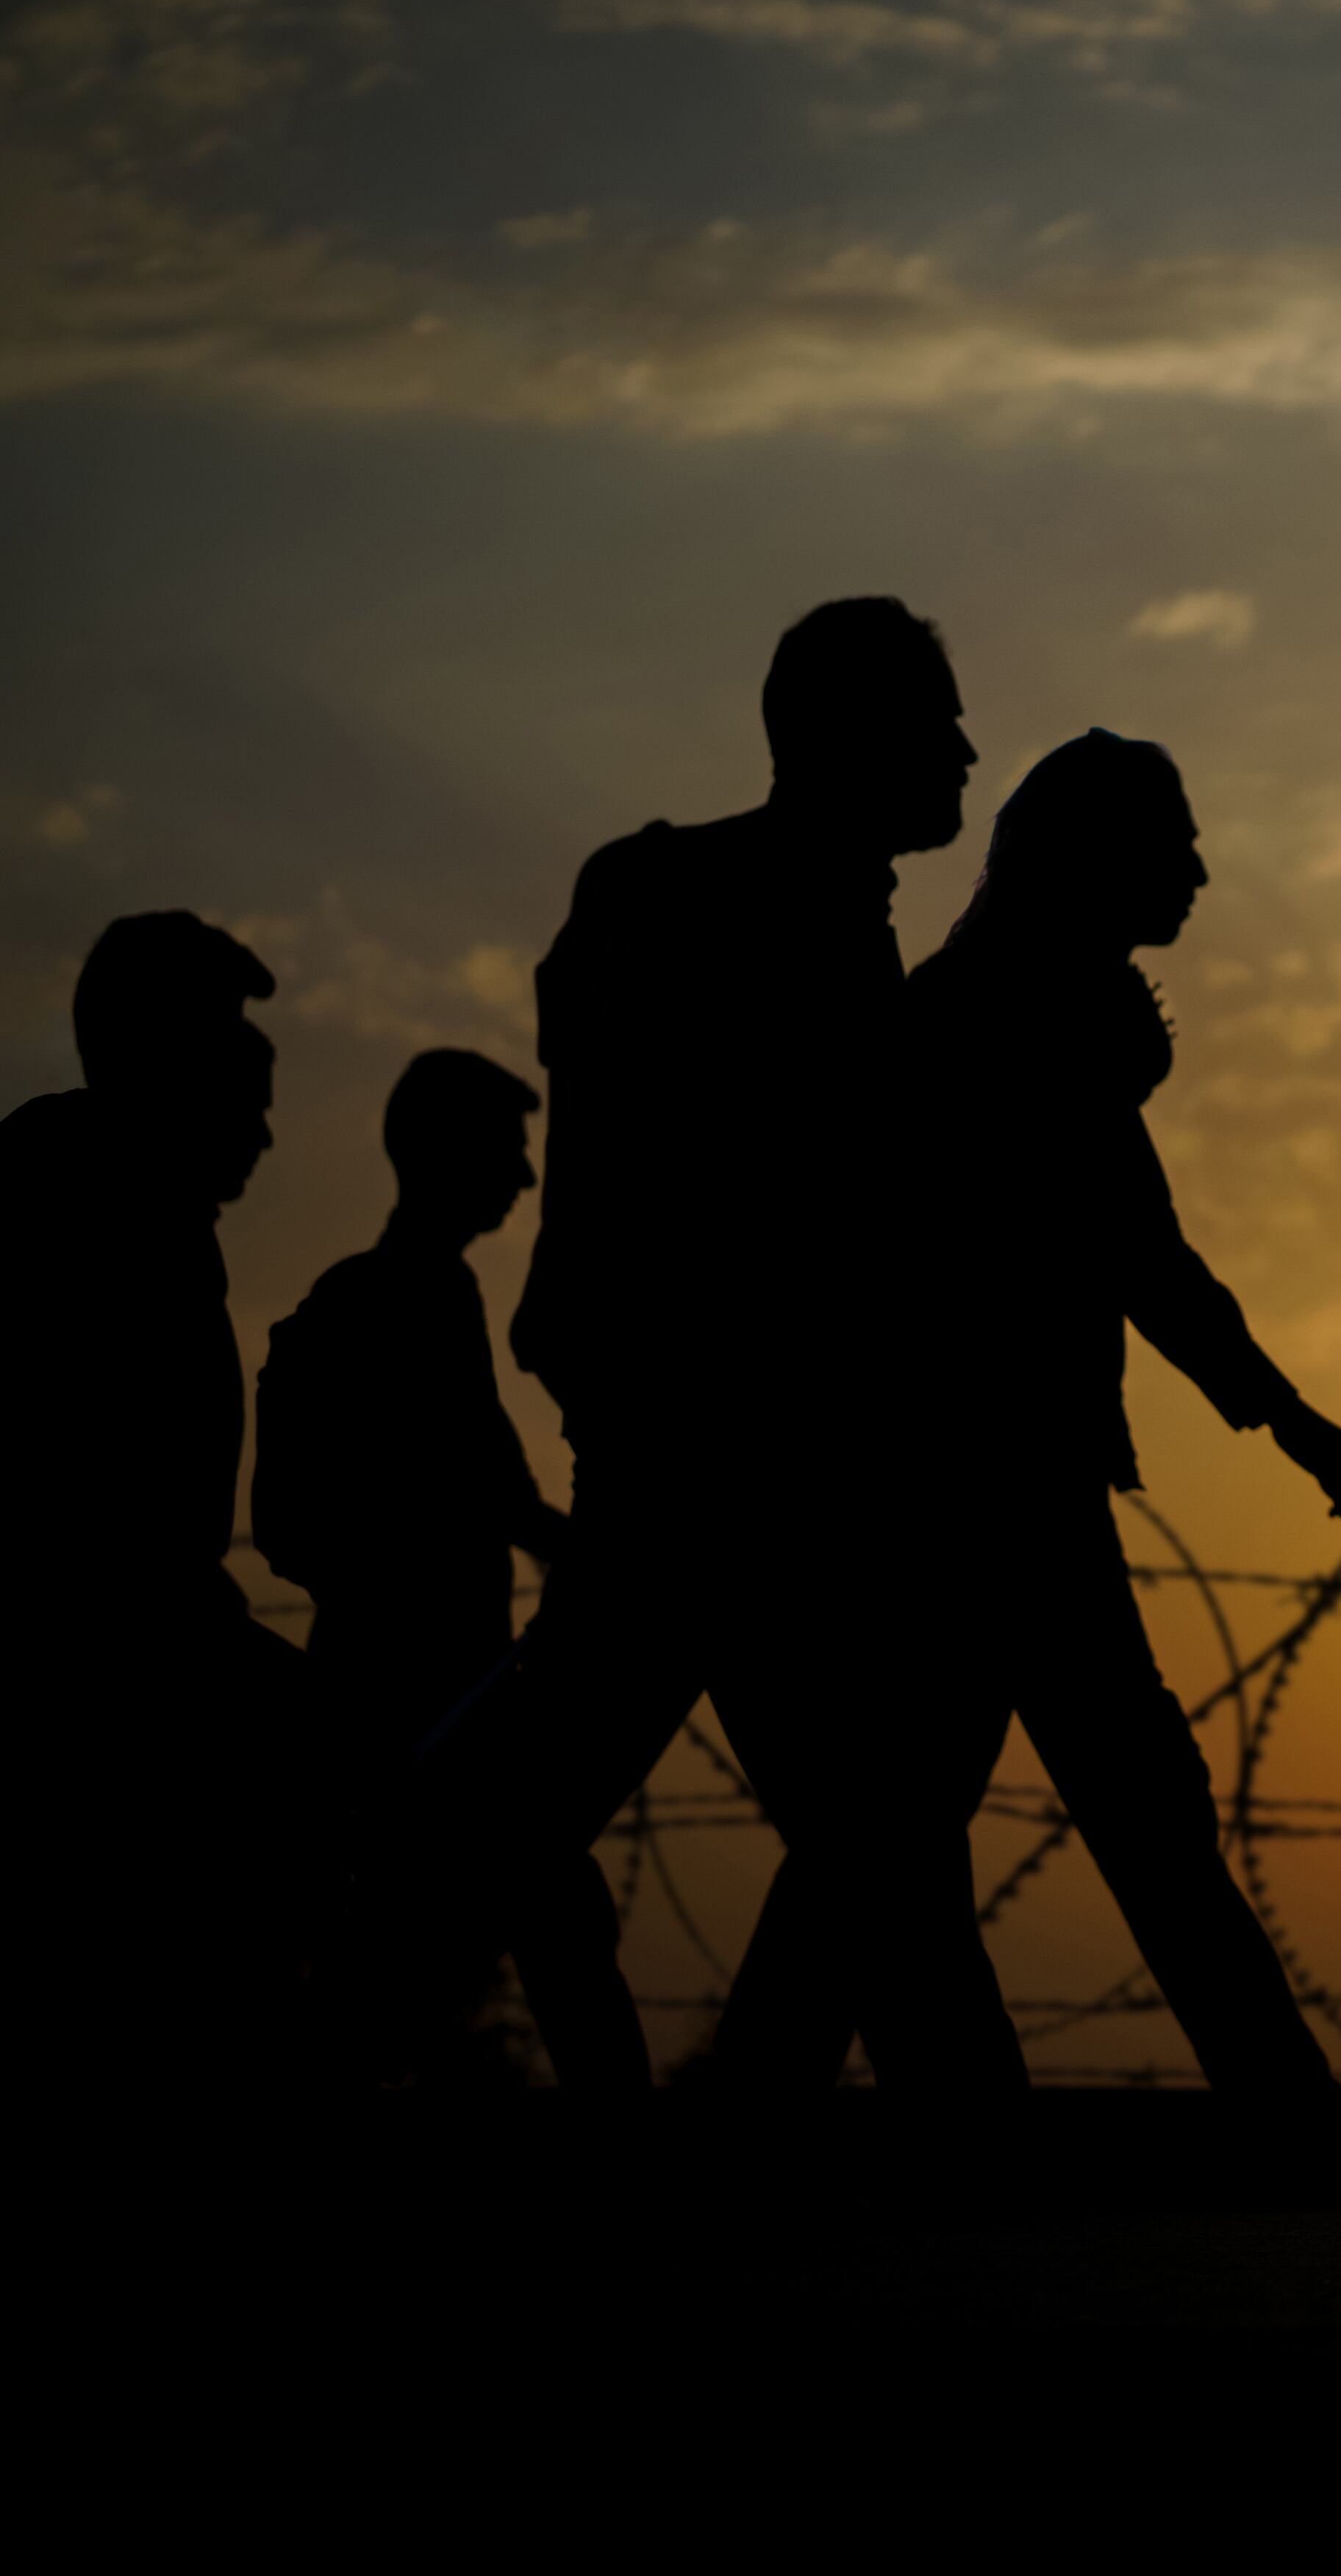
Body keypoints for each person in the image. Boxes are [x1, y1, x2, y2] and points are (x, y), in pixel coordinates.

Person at [393, 597, 1026, 2091]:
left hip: (738, 1458)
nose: (963, 751)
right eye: (934, 725)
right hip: (727, 1460)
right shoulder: (713, 909)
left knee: (856, 1839)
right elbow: (713, 1197)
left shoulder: (782, 918)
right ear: (850, 736)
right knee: (837, 1834)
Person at [723, 732, 1341, 2094]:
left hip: (978, 1485)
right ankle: (1283, 2107)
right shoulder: (1012, 1028)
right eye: (1174, 845)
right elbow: (1142, 1258)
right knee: (1073, 1812)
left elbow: (1144, 1255)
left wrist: (1286, 1415)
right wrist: (1292, 1418)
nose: (1199, 872)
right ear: (1099, 858)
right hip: (982, 1489)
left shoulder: (1017, 1013)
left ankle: (788, 2101)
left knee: (913, 1825)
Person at [255, 1048, 648, 2087]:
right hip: (428, 1707)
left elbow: (494, 1495)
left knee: (434, 1956)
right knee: (517, 1937)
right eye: (508, 1154)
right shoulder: (415, 1298)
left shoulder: (412, 1292)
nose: (524, 1179)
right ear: (446, 1154)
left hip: (430, 1699)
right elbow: (496, 1493)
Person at [0, 910, 324, 2083]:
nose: (266, 1132)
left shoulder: (119, 1210)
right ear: (163, 1067)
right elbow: (105, 1554)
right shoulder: (90, 1215)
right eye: (243, 1085)